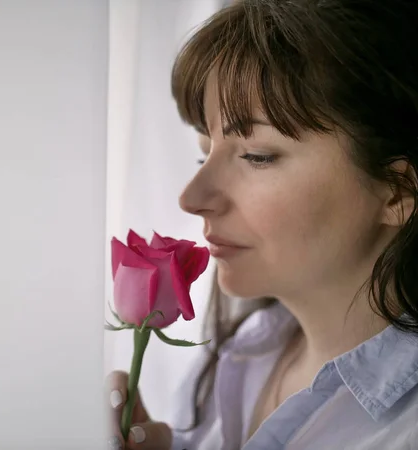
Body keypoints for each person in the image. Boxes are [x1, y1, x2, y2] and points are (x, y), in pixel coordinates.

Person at [106, 0, 418, 449]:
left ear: (396, 192)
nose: (191, 199)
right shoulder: (239, 357)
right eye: (203, 151)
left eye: (257, 156)